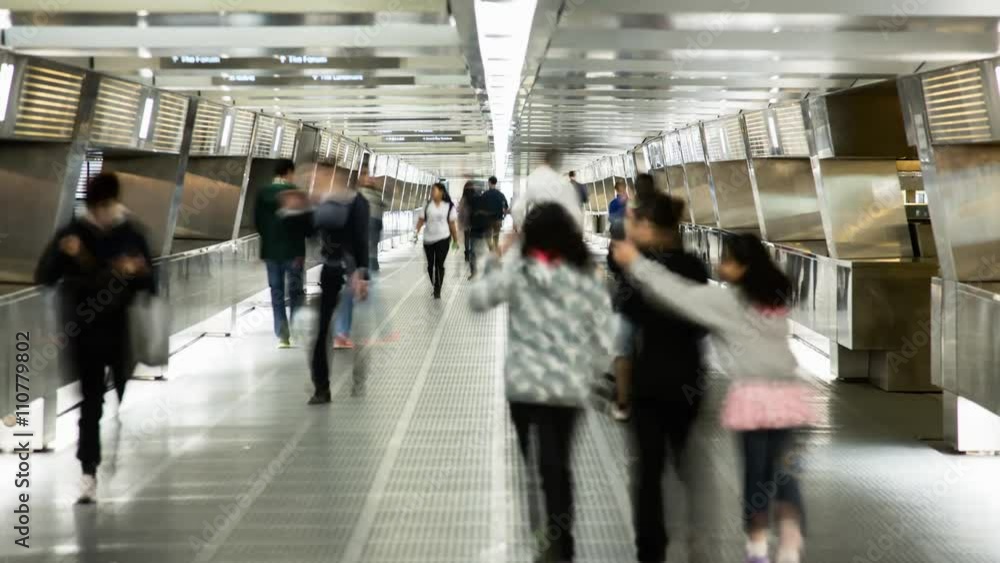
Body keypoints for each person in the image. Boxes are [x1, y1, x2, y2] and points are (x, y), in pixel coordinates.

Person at [613, 231, 814, 563]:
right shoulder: (773, 299)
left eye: (726, 260)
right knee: (785, 477)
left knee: (756, 479)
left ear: (742, 267)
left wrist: (635, 263)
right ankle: (791, 547)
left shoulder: (729, 304)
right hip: (790, 400)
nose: (719, 265)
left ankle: (758, 550)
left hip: (754, 402)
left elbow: (679, 295)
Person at [469, 202, 612, 563]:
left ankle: (542, 540)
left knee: (533, 468)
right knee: (559, 466)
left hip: (525, 388)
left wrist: (496, 258)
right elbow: (605, 336)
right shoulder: (585, 276)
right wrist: (596, 376)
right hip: (568, 389)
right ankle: (562, 541)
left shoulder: (519, 273)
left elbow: (478, 299)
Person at [35, 172, 155, 504]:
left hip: (119, 329)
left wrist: (138, 271)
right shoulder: (73, 233)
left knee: (118, 385)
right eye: (98, 207)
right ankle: (88, 469)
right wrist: (67, 255)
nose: (103, 213)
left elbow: (151, 283)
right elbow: (44, 275)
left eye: (107, 205)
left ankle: (110, 419)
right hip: (83, 331)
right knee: (90, 402)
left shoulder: (130, 233)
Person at [607, 192, 709, 562]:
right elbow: (702, 326)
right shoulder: (695, 267)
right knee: (686, 464)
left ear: (649, 226)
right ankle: (696, 538)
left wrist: (622, 393)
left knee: (648, 472)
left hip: (649, 386)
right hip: (689, 382)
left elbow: (626, 329)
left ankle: (651, 550)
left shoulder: (640, 270)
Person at [281, 174, 371, 404]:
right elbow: (310, 231)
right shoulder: (325, 203)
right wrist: (293, 211)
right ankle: (322, 387)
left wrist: (362, 274)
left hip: (350, 271)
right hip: (332, 271)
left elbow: (361, 239)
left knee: (352, 326)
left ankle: (354, 376)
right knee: (321, 331)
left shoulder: (356, 202)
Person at [255, 159, 307, 348]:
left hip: (271, 252)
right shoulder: (297, 194)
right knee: (295, 291)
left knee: (276, 292)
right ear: (289, 172)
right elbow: (305, 225)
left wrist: (270, 239)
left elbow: (258, 223)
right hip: (294, 252)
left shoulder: (262, 193)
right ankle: (296, 327)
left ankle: (282, 336)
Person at [331, 165, 374, 349]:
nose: (369, 178)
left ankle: (337, 332)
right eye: (365, 174)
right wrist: (363, 269)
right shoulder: (360, 202)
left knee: (338, 295)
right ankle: (341, 334)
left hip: (332, 255)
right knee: (348, 295)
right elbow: (361, 236)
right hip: (350, 257)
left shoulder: (333, 200)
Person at [512, 149, 584, 232]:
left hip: (538, 232)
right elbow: (577, 215)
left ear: (545, 161)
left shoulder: (534, 179)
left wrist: (522, 228)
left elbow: (517, 209)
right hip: (560, 233)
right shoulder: (565, 184)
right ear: (560, 165)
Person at [415, 182, 459, 299]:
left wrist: (455, 240)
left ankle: (437, 289)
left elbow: (452, 224)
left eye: (434, 190)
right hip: (428, 240)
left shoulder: (449, 206)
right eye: (431, 191)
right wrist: (416, 233)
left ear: (441, 192)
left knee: (439, 264)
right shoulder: (427, 205)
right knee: (430, 266)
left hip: (443, 239)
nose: (432, 193)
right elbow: (421, 220)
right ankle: (435, 284)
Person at [458, 181, 486, 279]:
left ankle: (468, 256)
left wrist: (461, 225)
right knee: (478, 248)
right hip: (477, 227)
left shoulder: (463, 199)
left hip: (468, 226)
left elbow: (460, 213)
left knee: (468, 243)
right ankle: (480, 269)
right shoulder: (478, 198)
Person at [482, 175, 509, 251]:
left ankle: (491, 248)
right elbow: (506, 207)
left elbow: (480, 206)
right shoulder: (500, 195)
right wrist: (504, 215)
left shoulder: (485, 194)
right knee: (496, 235)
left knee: (487, 235)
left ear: (489, 182)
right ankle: (495, 248)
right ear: (495, 183)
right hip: (498, 219)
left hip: (487, 219)